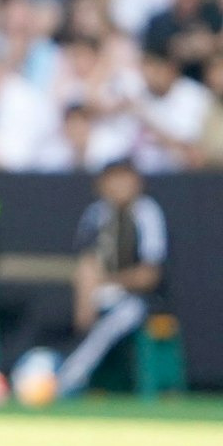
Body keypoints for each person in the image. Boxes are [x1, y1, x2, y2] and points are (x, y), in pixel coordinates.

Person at [53, 159, 168, 397]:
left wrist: (106, 282)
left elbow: (149, 275)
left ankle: (70, 376)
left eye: (125, 178)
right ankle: (41, 365)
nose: (119, 185)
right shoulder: (96, 214)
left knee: (120, 317)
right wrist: (86, 295)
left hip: (138, 299)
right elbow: (86, 262)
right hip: (98, 294)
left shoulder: (146, 213)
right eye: (113, 179)